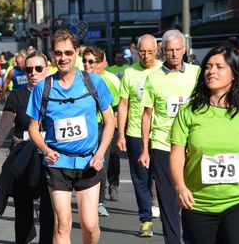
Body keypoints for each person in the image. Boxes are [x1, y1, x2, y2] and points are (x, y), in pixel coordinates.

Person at [26, 29, 115, 244]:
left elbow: (110, 121)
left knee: (90, 224)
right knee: (63, 223)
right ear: (52, 55)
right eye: (58, 53)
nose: (63, 58)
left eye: (68, 52)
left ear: (76, 52)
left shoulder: (93, 82)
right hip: (58, 163)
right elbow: (33, 128)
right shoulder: (43, 87)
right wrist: (46, 150)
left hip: (89, 161)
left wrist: (100, 153)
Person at [169, 44, 239, 244]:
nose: (211, 71)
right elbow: (176, 154)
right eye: (208, 66)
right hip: (198, 204)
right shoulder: (188, 113)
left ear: (233, 74)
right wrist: (180, 187)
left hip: (236, 202)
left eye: (219, 67)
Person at [0, 51, 53, 244]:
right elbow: (3, 127)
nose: (33, 73)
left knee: (50, 208)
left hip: (50, 156)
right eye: (28, 69)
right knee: (23, 207)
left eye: (38, 69)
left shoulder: (56, 93)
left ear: (46, 70)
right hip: (24, 155)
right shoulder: (17, 95)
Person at [139, 29, 200, 244]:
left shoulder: (196, 73)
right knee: (168, 203)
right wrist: (145, 149)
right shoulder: (153, 78)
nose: (174, 54)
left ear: (184, 49)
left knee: (194, 201)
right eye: (169, 50)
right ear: (162, 51)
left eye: (177, 50)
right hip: (163, 145)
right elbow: (147, 116)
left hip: (192, 146)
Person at [117, 34, 162, 237]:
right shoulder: (129, 73)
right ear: (136, 50)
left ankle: (172, 216)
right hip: (135, 132)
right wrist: (121, 134)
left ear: (157, 50)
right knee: (140, 178)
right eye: (142, 51)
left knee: (163, 178)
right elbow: (123, 105)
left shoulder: (164, 70)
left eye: (150, 51)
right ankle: (145, 220)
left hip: (162, 134)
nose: (146, 55)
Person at [83, 46, 120, 214]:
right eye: (84, 60)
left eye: (91, 61)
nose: (87, 64)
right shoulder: (78, 80)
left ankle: (99, 202)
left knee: (101, 164)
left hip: (101, 127)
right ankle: (85, 196)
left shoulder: (106, 82)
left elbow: (117, 105)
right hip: (84, 128)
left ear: (99, 64)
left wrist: (118, 128)